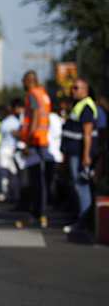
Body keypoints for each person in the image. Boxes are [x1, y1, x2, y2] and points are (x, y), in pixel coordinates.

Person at [61, 78, 98, 234]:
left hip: (80, 153)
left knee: (81, 186)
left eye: (76, 88)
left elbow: (88, 134)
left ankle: (83, 222)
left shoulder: (87, 107)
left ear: (85, 90)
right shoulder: (78, 105)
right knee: (77, 185)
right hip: (74, 152)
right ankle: (81, 219)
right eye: (72, 88)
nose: (72, 91)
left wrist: (86, 156)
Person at [16, 70, 52, 229]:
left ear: (28, 81)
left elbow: (36, 115)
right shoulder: (43, 94)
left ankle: (36, 213)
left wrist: (28, 140)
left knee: (34, 180)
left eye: (23, 81)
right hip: (42, 140)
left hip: (35, 141)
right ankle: (40, 214)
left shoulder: (32, 94)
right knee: (40, 180)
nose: (22, 84)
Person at [0, 98, 23, 203]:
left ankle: (5, 194)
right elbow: (16, 134)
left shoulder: (5, 122)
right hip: (11, 149)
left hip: (5, 149)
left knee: (4, 173)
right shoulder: (14, 121)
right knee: (13, 173)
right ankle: (14, 195)